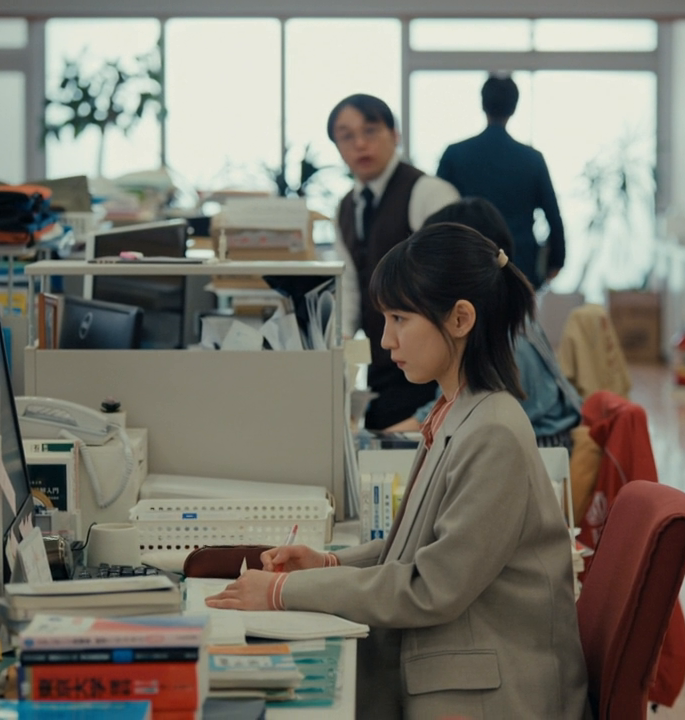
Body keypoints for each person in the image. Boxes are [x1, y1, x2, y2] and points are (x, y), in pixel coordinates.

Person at [206, 223, 589, 719]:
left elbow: (430, 587)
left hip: (494, 697)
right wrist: (328, 564)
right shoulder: (459, 411)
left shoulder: (492, 432)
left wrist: (284, 591)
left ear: (460, 319)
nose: (386, 339)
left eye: (399, 319)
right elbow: (414, 549)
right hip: (463, 669)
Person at [384, 198, 583, 449]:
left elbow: (453, 418)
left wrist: (371, 441)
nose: (386, 341)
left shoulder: (508, 342)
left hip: (542, 449)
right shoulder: (510, 317)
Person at [328, 94, 460, 431]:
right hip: (382, 359)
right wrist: (341, 342)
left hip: (430, 367)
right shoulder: (346, 207)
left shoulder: (427, 192)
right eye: (346, 136)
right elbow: (350, 285)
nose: (360, 144)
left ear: (394, 134)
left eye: (370, 130)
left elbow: (453, 277)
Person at [437, 74, 565, 289]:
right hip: (519, 264)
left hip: (466, 263)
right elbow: (553, 215)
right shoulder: (532, 159)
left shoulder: (455, 154)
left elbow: (438, 212)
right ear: (514, 107)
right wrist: (556, 262)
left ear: (482, 104)